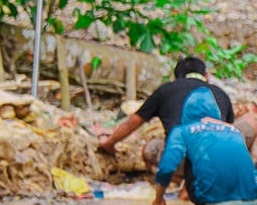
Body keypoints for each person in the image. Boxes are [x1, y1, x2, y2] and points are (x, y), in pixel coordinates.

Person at [96, 55, 235, 159]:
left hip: (181, 155)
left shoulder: (167, 90)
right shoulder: (220, 93)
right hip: (217, 158)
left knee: (150, 150)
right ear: (206, 76)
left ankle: (178, 181)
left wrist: (109, 143)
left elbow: (133, 122)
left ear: (177, 78)